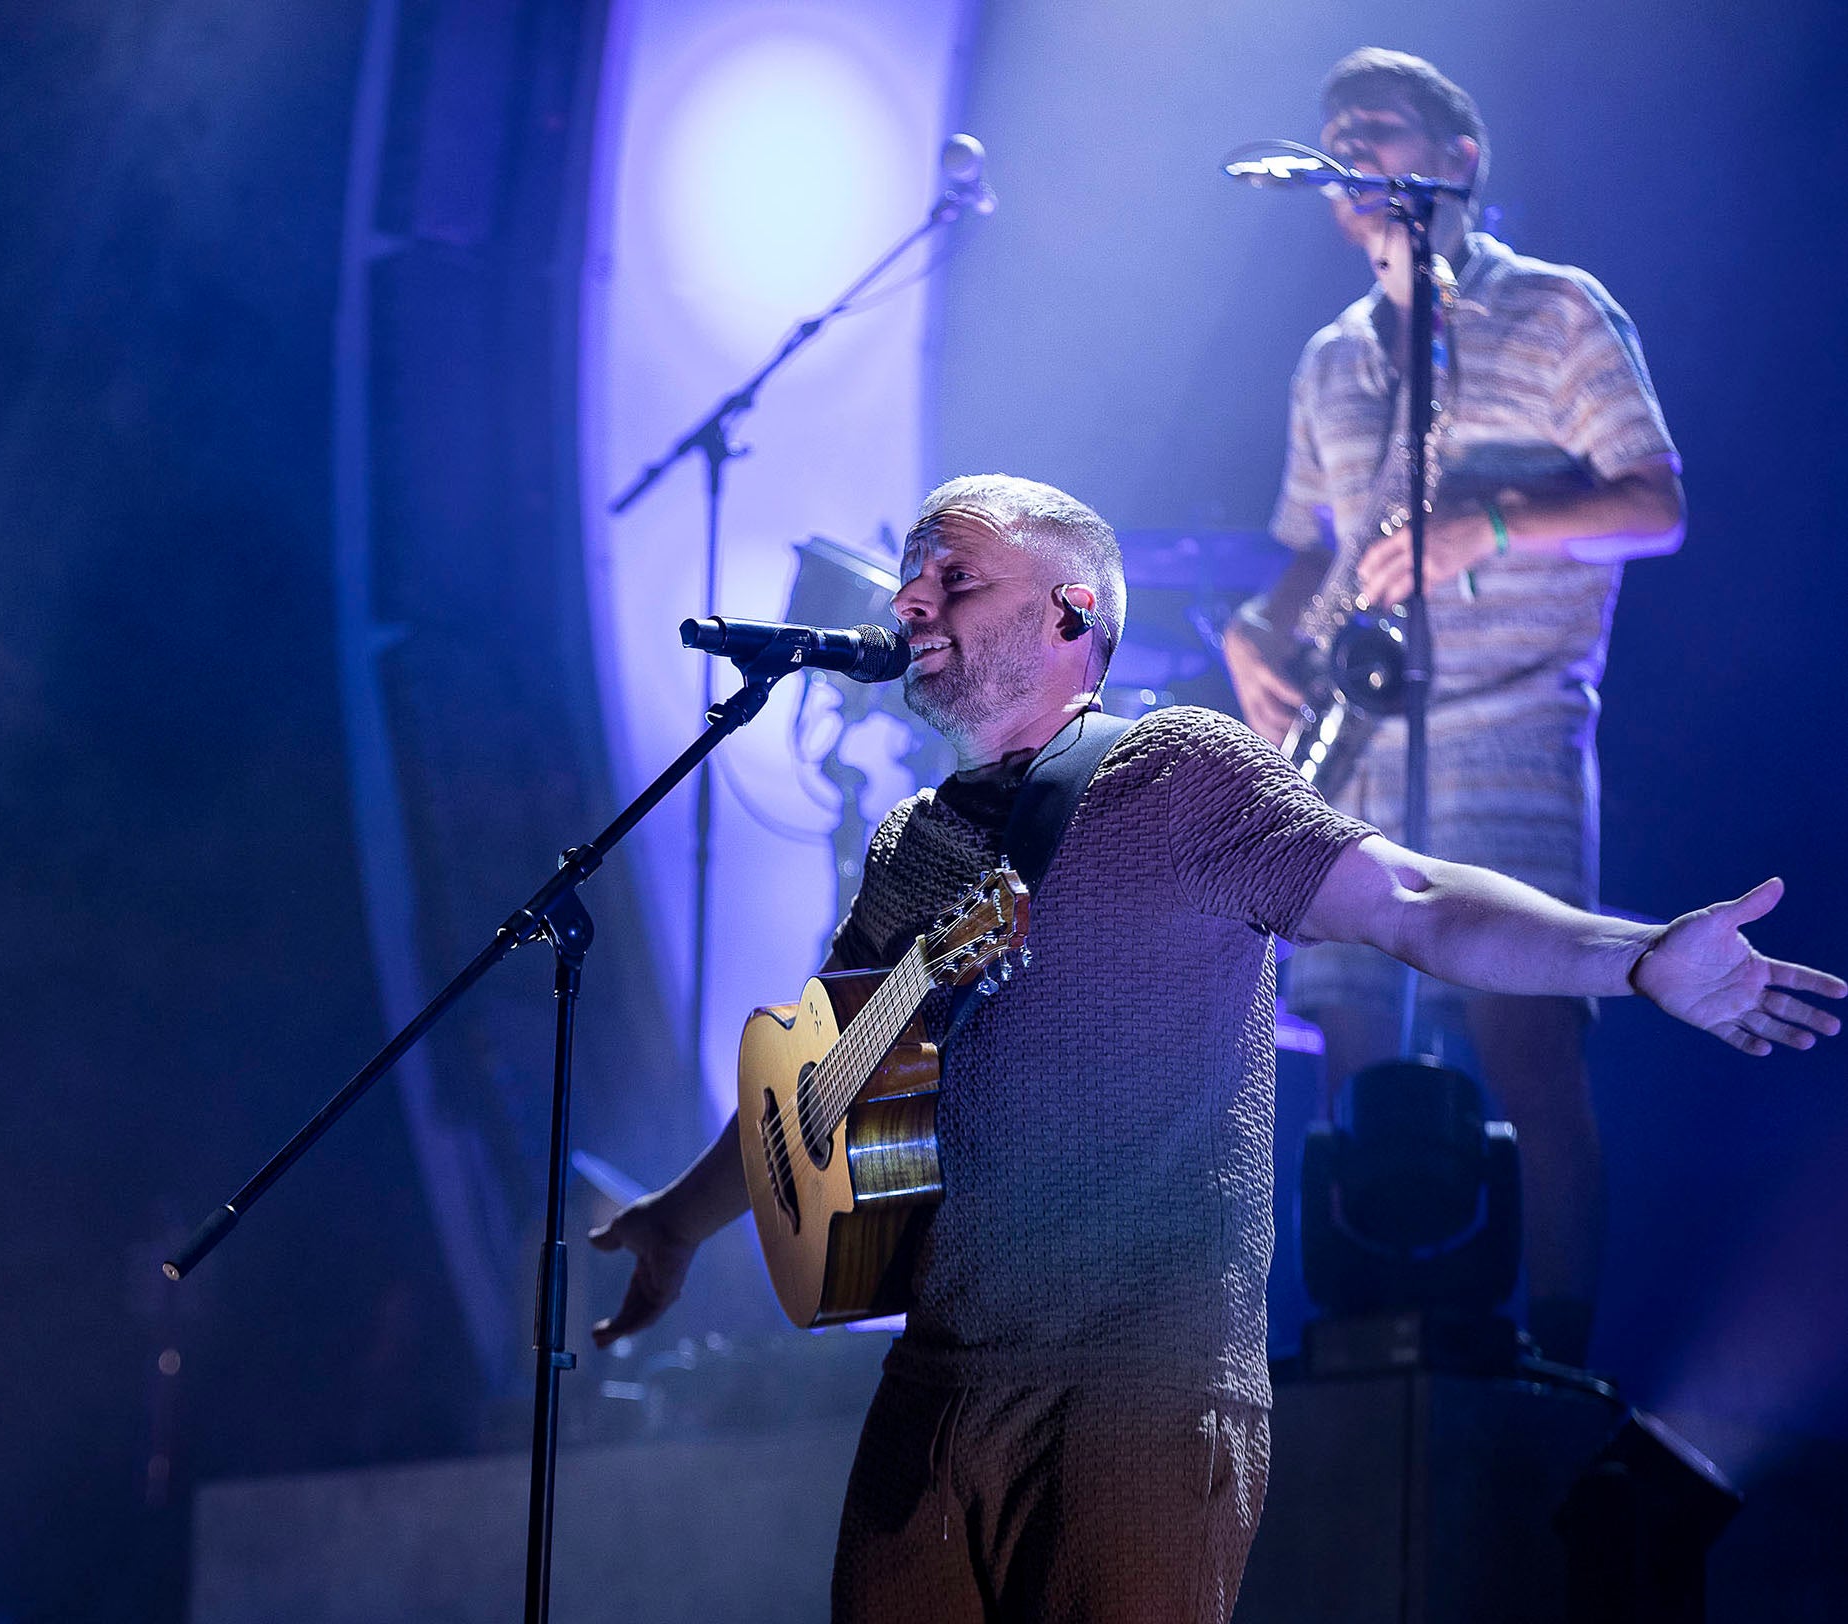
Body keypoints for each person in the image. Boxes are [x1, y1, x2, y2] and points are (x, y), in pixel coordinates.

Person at [593, 476, 1835, 1624]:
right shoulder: (912, 842)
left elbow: (1410, 897)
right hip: (930, 1394)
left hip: (1131, 1390)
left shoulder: (1179, 771)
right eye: (910, 576)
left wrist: (1630, 953)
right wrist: (680, 1220)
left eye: (953, 576)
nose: (910, 599)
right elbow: (818, 1083)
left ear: (1073, 610)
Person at [1220, 48, 1689, 1365]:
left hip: (1516, 725)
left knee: (1529, 1045)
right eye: (1334, 139)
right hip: (1359, 735)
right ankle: (1368, 1352)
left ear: (1457, 159)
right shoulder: (1328, 360)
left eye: (1377, 128)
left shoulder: (1559, 312)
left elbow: (1655, 504)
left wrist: (1489, 523)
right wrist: (1259, 632)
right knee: (1352, 1042)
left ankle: (1554, 1365)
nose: (1349, 153)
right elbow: (1316, 543)